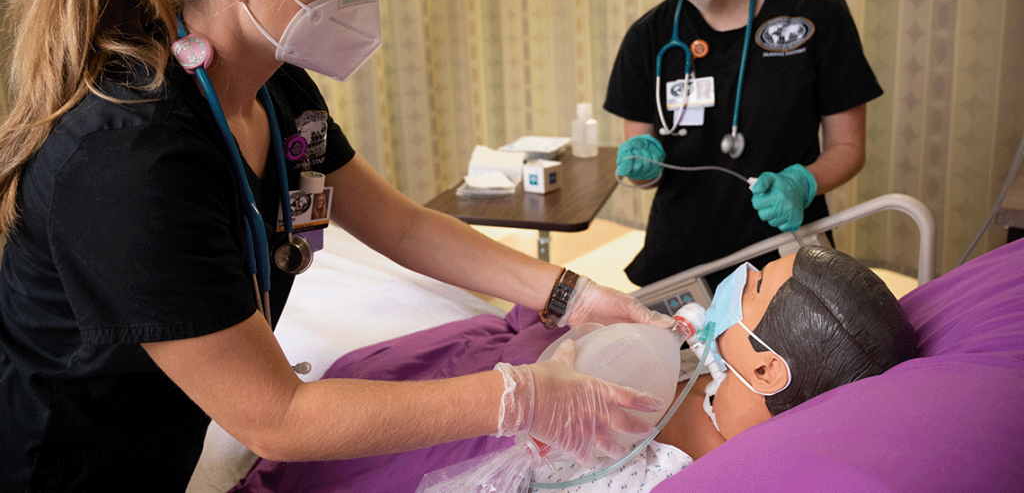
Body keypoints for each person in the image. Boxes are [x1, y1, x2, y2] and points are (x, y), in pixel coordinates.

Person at [0, 0, 675, 490]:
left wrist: (570, 293)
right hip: (63, 463)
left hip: (171, 431)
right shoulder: (126, 157)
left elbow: (402, 224)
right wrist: (520, 397)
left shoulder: (277, 89)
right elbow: (279, 416)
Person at [227, 245, 919, 493]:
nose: (738, 275)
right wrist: (572, 303)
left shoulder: (683, 471)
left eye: (758, 282)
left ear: (767, 369)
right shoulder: (713, 387)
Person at [605, 0, 883, 287]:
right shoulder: (649, 38)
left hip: (783, 252)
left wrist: (803, 182)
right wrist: (641, 169)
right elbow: (643, 159)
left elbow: (848, 147)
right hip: (680, 258)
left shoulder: (816, 17)